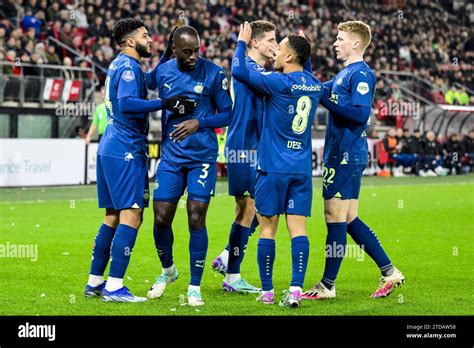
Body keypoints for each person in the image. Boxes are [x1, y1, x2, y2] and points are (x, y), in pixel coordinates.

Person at [83, 18, 195, 302]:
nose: (150, 40)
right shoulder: (131, 68)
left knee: (112, 214)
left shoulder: (119, 64)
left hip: (109, 145)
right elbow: (128, 104)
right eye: (145, 36)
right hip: (126, 149)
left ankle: (95, 282)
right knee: (132, 214)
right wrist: (165, 103)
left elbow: (147, 82)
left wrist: (167, 56)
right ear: (131, 41)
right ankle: (114, 286)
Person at [303, 20, 405, 300]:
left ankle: (327, 285)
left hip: (346, 154)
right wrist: (305, 59)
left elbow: (360, 114)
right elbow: (315, 88)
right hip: (344, 152)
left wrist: (328, 100)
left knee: (333, 217)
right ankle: (389, 271)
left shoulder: (361, 74)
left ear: (356, 43)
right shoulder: (344, 74)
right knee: (348, 218)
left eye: (340, 38)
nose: (335, 42)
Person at [232, 22, 323, 307]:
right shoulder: (315, 84)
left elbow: (238, 71)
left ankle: (268, 291)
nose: (276, 52)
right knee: (299, 230)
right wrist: (304, 53)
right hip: (301, 170)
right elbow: (305, 73)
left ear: (291, 57)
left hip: (272, 168)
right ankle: (296, 289)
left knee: (267, 229)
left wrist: (241, 43)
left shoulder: (277, 82)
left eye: (281, 48)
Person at [145, 26, 233, 306]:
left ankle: (194, 286)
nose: (195, 55)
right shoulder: (164, 71)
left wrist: (200, 122)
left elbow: (229, 114)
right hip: (171, 157)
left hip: (201, 158)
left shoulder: (214, 73)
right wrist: (161, 53)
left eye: (197, 49)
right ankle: (169, 271)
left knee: (195, 217)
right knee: (160, 218)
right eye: (187, 51)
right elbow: (147, 83)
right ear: (174, 50)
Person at [211, 20, 277, 294]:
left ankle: (228, 259)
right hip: (244, 146)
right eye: (271, 40)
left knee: (254, 210)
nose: (275, 45)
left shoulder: (259, 69)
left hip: (255, 146)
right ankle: (233, 273)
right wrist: (239, 42)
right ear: (255, 43)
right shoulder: (245, 67)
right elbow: (236, 67)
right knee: (250, 210)